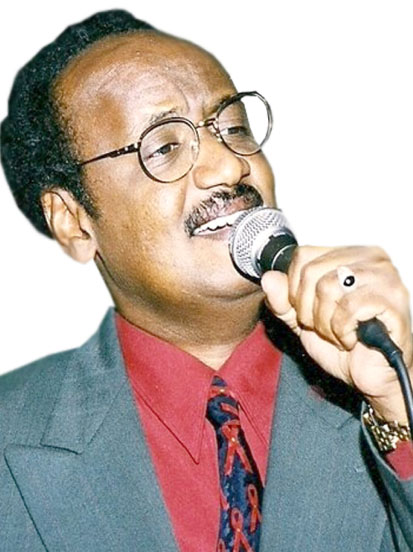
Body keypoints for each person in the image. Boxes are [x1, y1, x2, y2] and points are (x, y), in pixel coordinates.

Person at [0, 9, 412, 552]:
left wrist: (398, 410)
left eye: (234, 128)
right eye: (165, 146)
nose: (229, 166)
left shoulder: (388, 381)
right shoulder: (12, 434)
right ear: (74, 222)